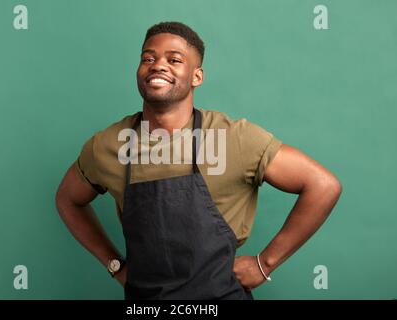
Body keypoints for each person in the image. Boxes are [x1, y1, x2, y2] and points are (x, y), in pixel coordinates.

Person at [55, 21, 342, 300]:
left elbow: (322, 185)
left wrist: (263, 263)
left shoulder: (234, 138)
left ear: (197, 77)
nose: (158, 65)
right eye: (148, 58)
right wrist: (114, 265)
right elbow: (68, 199)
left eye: (174, 59)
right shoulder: (107, 145)